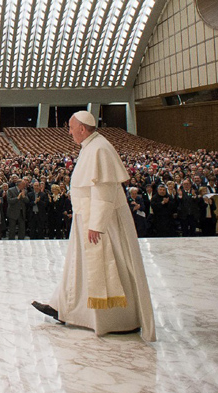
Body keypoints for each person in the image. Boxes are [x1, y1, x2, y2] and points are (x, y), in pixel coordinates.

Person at [33, 110, 156, 341]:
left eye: (70, 127)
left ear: (81, 128)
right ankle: (65, 308)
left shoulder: (99, 148)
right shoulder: (91, 146)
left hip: (102, 223)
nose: (68, 132)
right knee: (78, 266)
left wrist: (96, 225)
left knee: (107, 266)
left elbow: (104, 190)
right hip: (87, 217)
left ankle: (117, 318)